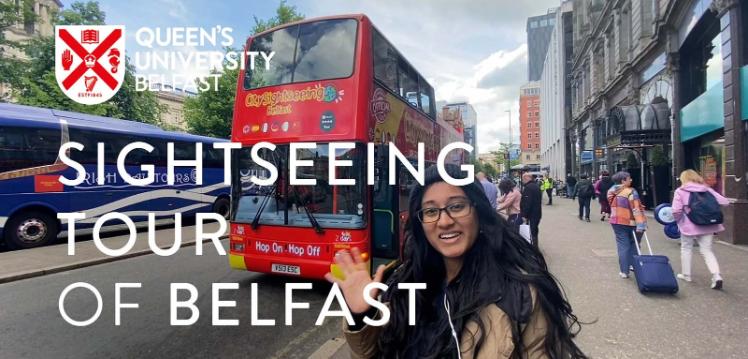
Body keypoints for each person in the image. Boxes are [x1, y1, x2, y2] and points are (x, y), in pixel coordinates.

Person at [328, 166, 587, 358]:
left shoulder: (522, 296)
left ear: (478, 212)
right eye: (430, 211)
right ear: (420, 225)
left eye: (457, 206)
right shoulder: (403, 284)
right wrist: (362, 316)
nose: (444, 221)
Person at [671, 169, 730, 289]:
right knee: (707, 251)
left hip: (688, 225)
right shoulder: (706, 189)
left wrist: (679, 220)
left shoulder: (680, 191)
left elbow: (676, 210)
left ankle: (686, 275)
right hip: (708, 225)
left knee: (686, 248)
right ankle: (716, 275)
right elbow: (725, 202)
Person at [607, 171, 647, 279]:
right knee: (634, 244)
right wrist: (641, 224)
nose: (631, 180)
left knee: (623, 246)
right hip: (631, 222)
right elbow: (636, 209)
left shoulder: (611, 192)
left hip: (616, 221)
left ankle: (624, 271)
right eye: (629, 179)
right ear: (623, 180)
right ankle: (634, 265)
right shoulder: (631, 192)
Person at [521, 173, 543, 247]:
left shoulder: (528, 188)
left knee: (530, 231)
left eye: (523, 179)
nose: (522, 181)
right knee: (534, 230)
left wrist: (524, 215)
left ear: (527, 178)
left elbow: (527, 203)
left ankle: (533, 248)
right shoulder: (536, 186)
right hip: (537, 213)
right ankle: (535, 246)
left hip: (531, 214)